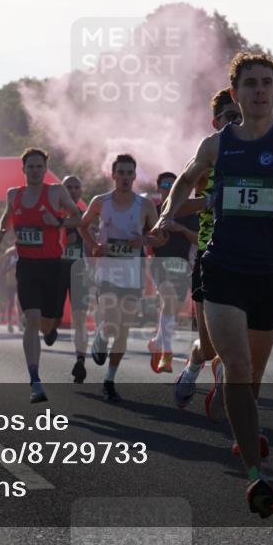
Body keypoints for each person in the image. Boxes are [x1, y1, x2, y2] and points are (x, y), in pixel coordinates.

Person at [154, 52, 273, 518]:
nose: (260, 90)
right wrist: (166, 215)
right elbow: (184, 182)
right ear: (235, 93)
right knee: (235, 365)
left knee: (251, 376)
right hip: (224, 268)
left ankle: (241, 423)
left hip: (271, 272)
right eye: (251, 83)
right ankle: (255, 476)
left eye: (267, 83)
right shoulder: (217, 144)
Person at [0, 148, 82, 403]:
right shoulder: (14, 194)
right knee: (31, 319)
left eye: (39, 166)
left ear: (45, 168)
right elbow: (7, 217)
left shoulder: (55, 192)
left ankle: (50, 328)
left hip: (53, 266)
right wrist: (0, 230)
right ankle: (35, 380)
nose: (35, 171)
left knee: (48, 321)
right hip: (27, 266)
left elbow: (78, 218)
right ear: (23, 170)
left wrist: (58, 223)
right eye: (30, 167)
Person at [173, 89, 242, 410]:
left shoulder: (259, 159)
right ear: (216, 122)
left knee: (243, 344)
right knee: (212, 347)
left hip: (248, 257)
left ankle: (232, 401)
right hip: (209, 255)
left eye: (240, 117)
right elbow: (177, 205)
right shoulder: (207, 158)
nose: (237, 122)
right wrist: (209, 200)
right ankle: (194, 366)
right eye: (230, 116)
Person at [79, 154, 164, 402]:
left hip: (133, 273)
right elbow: (82, 226)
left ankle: (109, 380)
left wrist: (144, 240)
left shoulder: (145, 205)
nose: (126, 177)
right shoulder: (100, 202)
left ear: (135, 176)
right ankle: (102, 337)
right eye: (121, 173)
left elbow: (160, 237)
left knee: (124, 328)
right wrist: (94, 245)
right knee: (112, 318)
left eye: (130, 173)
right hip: (107, 271)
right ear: (113, 175)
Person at [148, 171, 198, 374]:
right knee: (168, 299)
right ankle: (166, 354)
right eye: (165, 185)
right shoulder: (153, 211)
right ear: (158, 188)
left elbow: (198, 238)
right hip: (159, 264)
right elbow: (144, 238)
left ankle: (156, 342)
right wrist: (155, 239)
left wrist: (181, 229)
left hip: (181, 266)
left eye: (172, 185)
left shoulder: (188, 212)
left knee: (173, 309)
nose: (168, 189)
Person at [59, 175, 92, 383]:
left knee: (79, 317)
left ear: (81, 191)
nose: (72, 190)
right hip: (55, 270)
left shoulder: (84, 216)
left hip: (78, 270)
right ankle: (50, 329)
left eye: (76, 187)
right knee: (50, 320)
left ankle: (80, 359)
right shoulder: (51, 213)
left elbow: (90, 246)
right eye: (68, 187)